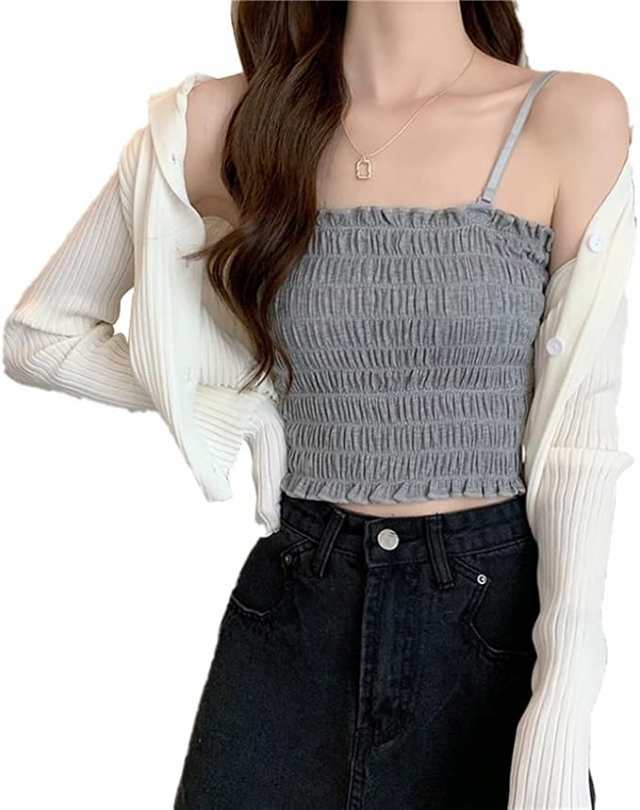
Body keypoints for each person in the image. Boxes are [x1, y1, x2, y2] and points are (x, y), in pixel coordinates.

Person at [3, 2, 636, 809]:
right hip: (299, 612)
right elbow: (39, 335)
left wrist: (562, 708)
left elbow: (580, 439)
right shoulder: (226, 125)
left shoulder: (567, 118)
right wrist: (231, 408)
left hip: (490, 632)